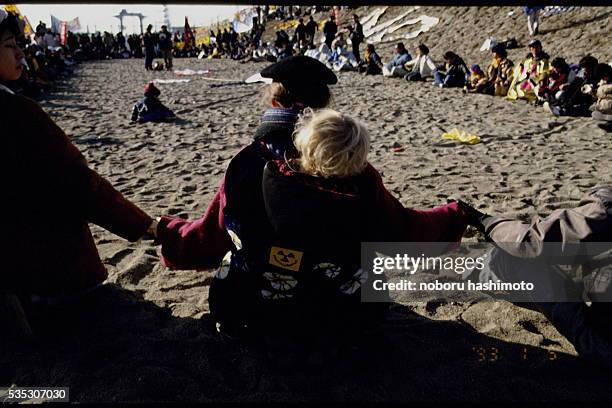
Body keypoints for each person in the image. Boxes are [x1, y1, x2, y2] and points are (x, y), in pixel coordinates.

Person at [156, 55, 469, 338]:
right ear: (326, 104)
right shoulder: (356, 171)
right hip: (343, 317)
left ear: (273, 100)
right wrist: (455, 215)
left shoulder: (246, 162)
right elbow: (402, 231)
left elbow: (211, 236)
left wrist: (165, 232)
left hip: (250, 312)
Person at [0, 11, 155, 334]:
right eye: (10, 45)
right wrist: (144, 225)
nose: (20, 54)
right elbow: (80, 185)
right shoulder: (19, 113)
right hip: (49, 278)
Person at [460, 186, 612, 366]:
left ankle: (472, 271)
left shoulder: (604, 210)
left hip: (603, 346)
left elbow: (534, 240)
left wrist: (484, 221)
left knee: (515, 260)